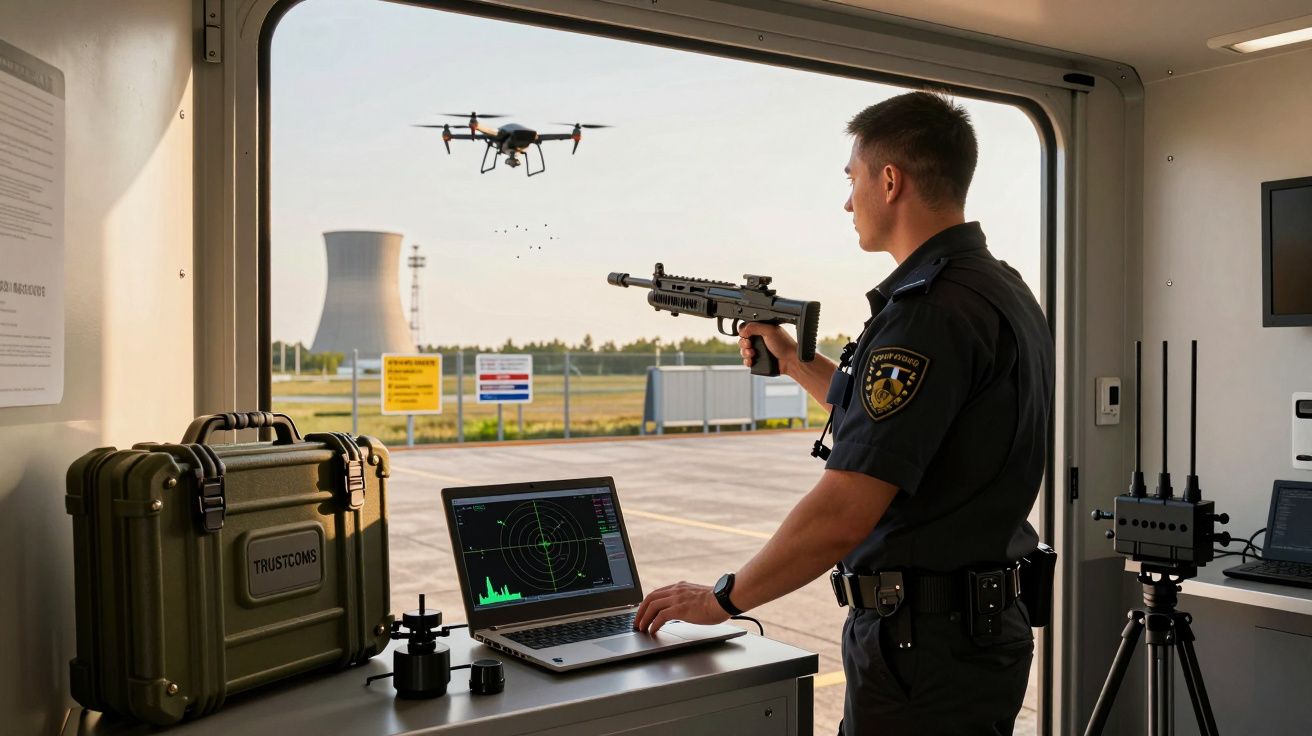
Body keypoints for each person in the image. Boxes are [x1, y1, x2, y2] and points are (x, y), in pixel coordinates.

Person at [632, 90, 1054, 735]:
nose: (848, 200)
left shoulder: (926, 313)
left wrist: (724, 598)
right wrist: (795, 358)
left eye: (852, 178)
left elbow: (842, 512)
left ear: (890, 181)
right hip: (973, 633)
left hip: (923, 648)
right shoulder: (998, 286)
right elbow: (907, 426)